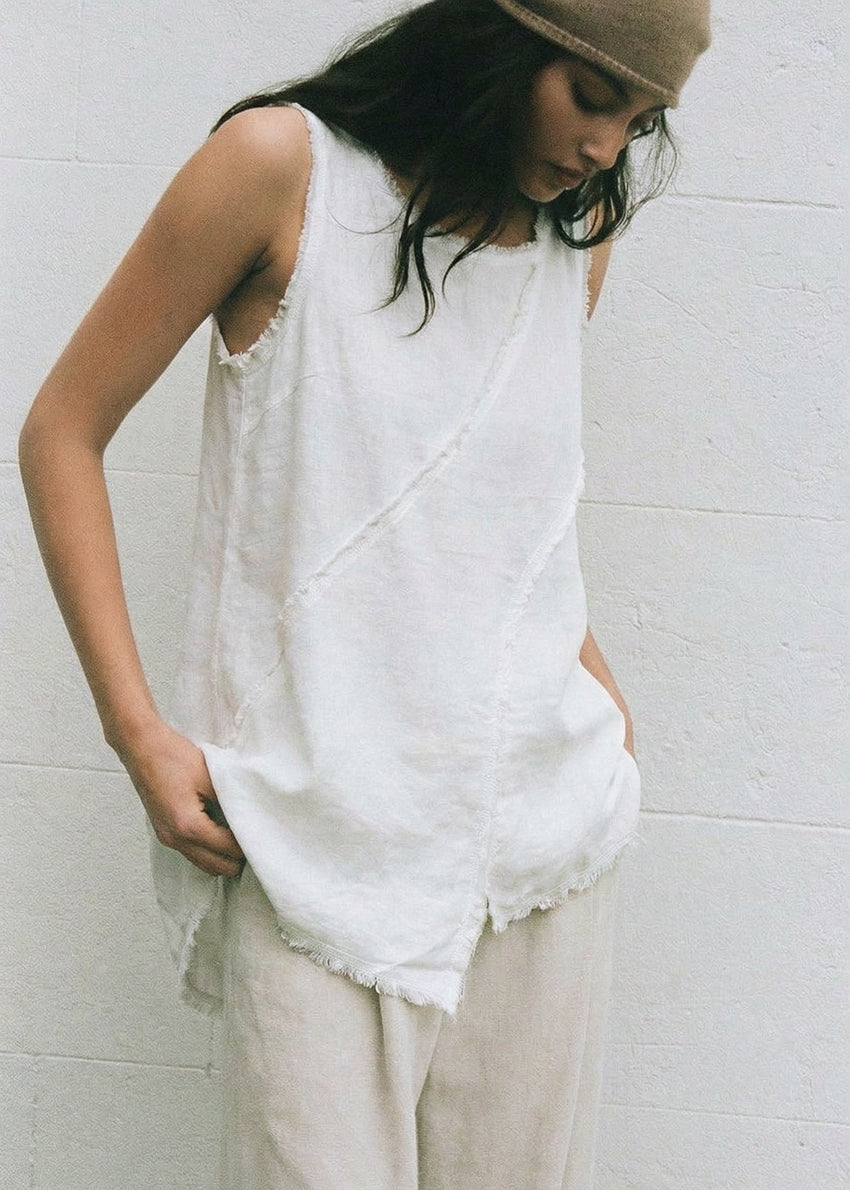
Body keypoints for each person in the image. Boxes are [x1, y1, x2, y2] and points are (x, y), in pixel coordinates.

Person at [19, 0, 710, 1185]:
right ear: (495, 39)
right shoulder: (279, 171)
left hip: (536, 842)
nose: (605, 147)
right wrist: (137, 732)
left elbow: (492, 502)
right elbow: (61, 431)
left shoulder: (575, 236)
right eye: (592, 96)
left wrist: (593, 691)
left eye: (639, 121)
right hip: (316, 837)